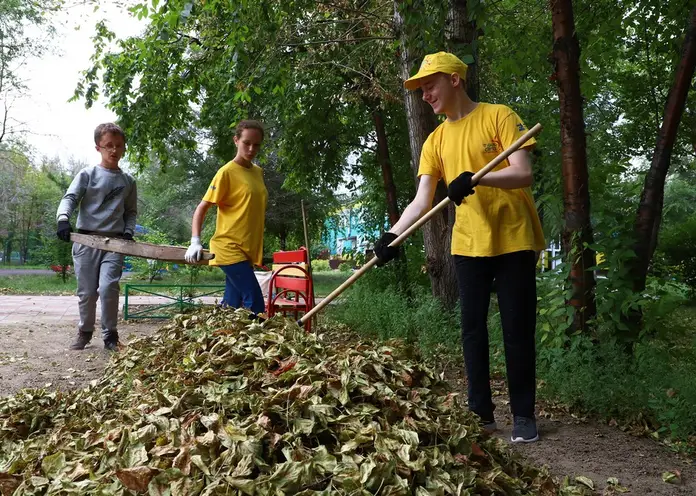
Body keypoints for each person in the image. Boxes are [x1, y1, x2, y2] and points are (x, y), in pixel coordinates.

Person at [373, 52, 545, 443]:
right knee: (472, 330)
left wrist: (479, 180)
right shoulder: (435, 139)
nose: (424, 95)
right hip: (468, 243)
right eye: (419, 89)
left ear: (454, 80)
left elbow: (523, 172)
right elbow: (421, 202)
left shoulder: (498, 115)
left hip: (513, 236)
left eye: (429, 85)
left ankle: (523, 415)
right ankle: (481, 413)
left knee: (517, 329)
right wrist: (392, 236)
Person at [56, 122, 137, 351]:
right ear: (98, 148)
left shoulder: (128, 182)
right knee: (87, 291)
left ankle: (110, 335)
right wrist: (63, 219)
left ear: (123, 148)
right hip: (86, 240)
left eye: (118, 145)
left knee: (109, 286)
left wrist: (129, 232)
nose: (113, 150)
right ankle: (85, 331)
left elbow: (131, 212)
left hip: (115, 242)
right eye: (108, 145)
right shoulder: (88, 174)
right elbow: (70, 197)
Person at [184, 120, 268, 315]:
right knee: (254, 303)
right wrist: (195, 241)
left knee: (231, 306)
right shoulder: (226, 172)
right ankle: (257, 345)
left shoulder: (258, 172)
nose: (251, 148)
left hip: (247, 251)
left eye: (256, 145)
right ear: (236, 140)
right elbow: (202, 207)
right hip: (229, 247)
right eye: (246, 143)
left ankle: (219, 342)